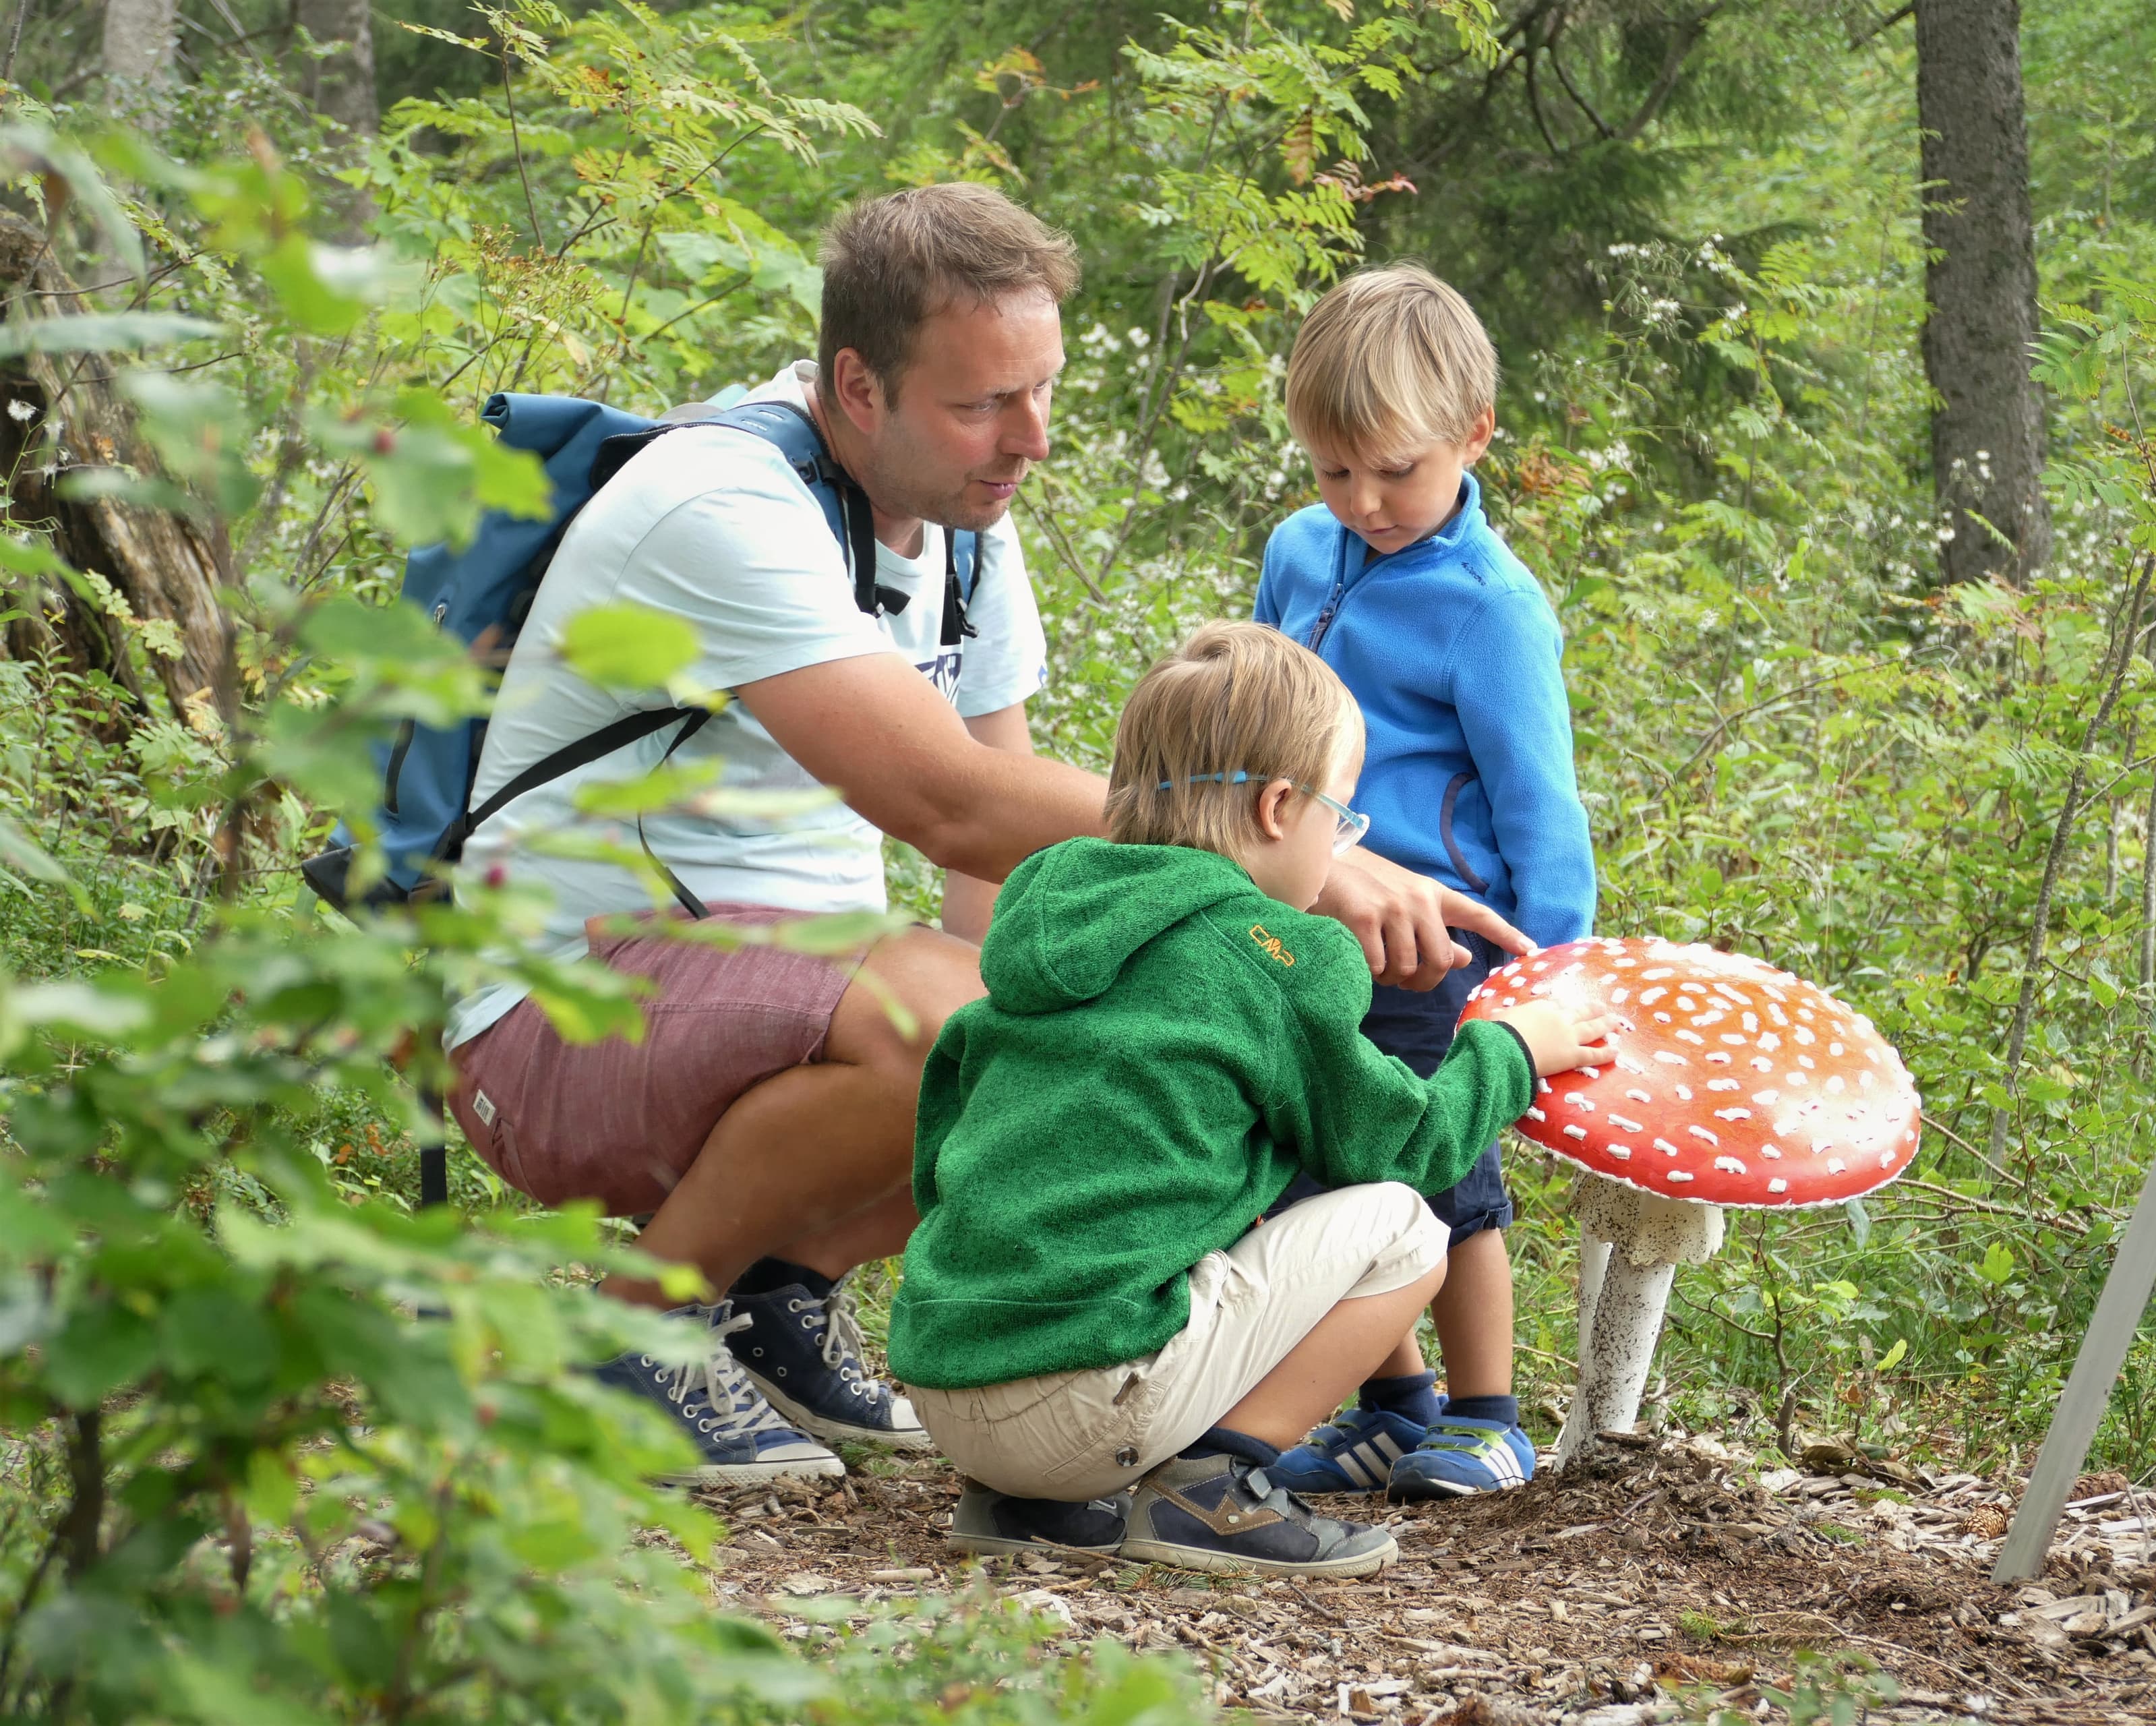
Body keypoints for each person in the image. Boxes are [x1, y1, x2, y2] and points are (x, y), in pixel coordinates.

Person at [442, 187, 1526, 1485]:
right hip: (557, 1014)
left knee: (1095, 1047)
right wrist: (1285, 853)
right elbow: (947, 801)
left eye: (1043, 390)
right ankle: (626, 1346)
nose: (1032, 439)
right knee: (951, 1023)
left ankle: (775, 1297)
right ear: (860, 386)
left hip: (757, 1003)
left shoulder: (965, 528)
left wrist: (1130, 1030)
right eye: (985, 403)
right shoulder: (722, 506)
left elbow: (1005, 873)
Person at [887, 622, 1608, 1576]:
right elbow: (1406, 1146)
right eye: (1342, 818)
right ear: (1279, 808)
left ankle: (1031, 1505)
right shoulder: (1275, 956)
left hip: (948, 1387)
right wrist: (1513, 1050)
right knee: (1405, 1228)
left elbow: (943, 1136)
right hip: (1090, 1406)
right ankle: (1213, 1489)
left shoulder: (1048, 919)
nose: (1343, 845)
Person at [1253, 265, 1595, 1501]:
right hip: (1299, 919)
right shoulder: (1302, 550)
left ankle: (1488, 1413)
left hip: (1437, 950)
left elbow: (1541, 807)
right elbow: (1261, 714)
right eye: (1333, 470)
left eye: (1396, 470)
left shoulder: (1490, 608)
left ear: (1474, 436)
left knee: (1440, 1168)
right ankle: (1395, 1405)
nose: (1364, 502)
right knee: (1309, 1161)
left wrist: (1544, 979)